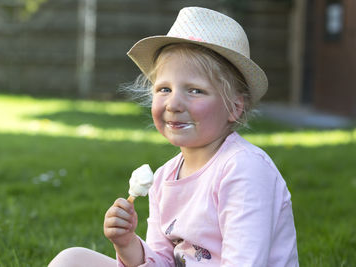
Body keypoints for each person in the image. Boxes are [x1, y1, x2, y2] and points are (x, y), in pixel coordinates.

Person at [48, 6, 299, 267]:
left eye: (195, 91)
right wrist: (127, 244)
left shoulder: (244, 169)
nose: (174, 103)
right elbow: (162, 261)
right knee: (72, 259)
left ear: (234, 107)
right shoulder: (164, 178)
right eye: (164, 88)